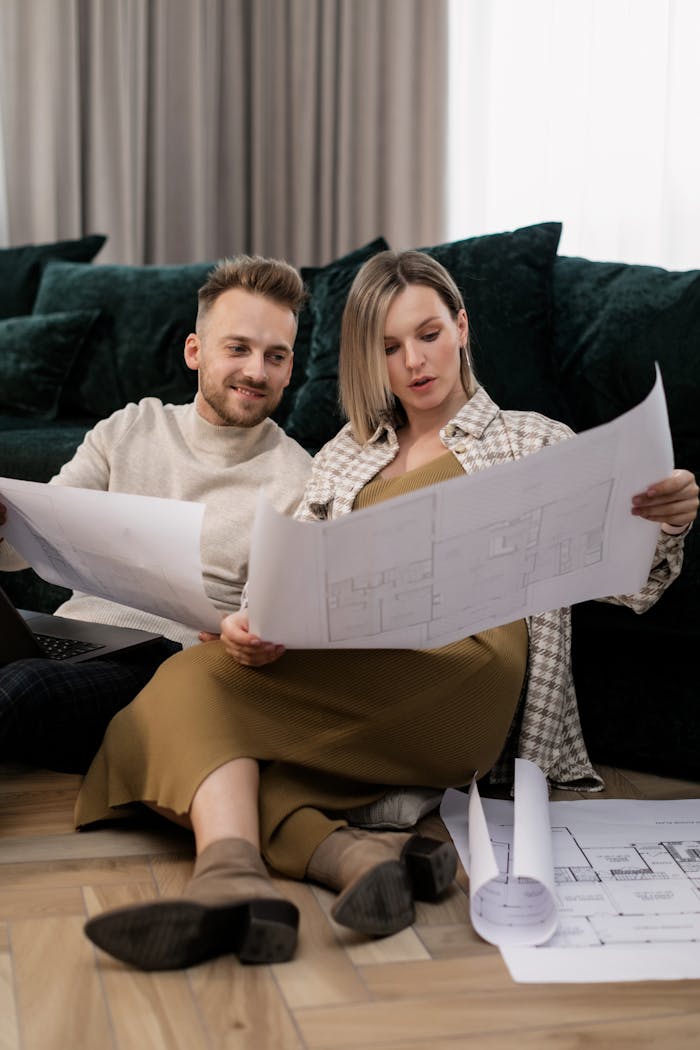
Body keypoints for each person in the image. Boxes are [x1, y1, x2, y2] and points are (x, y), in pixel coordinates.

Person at [74, 249, 698, 972]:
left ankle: (250, 874)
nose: (414, 362)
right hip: (349, 657)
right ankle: (312, 866)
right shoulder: (343, 455)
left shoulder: (533, 441)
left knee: (189, 710)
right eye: (389, 347)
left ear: (461, 326)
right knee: (197, 703)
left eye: (428, 333)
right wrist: (255, 622)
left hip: (467, 668)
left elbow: (631, 585)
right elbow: (287, 579)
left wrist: (667, 522)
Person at [0, 255, 312, 772]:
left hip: (168, 665)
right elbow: (20, 552)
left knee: (23, 688)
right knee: (27, 680)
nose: (256, 371)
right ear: (195, 351)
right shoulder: (128, 429)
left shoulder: (298, 480)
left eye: (275, 356)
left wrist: (254, 632)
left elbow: (269, 613)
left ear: (290, 369)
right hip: (72, 640)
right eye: (238, 348)